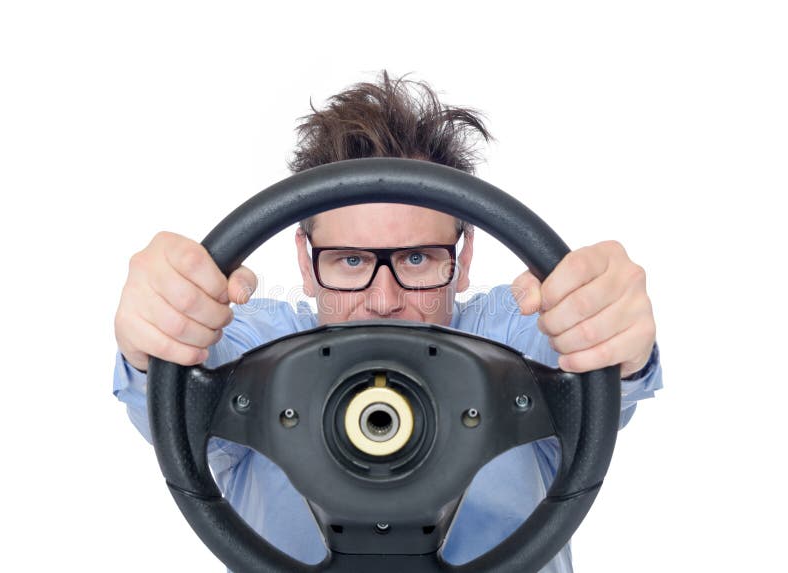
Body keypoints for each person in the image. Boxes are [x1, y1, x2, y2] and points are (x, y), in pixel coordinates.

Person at [113, 71, 662, 572]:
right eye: (350, 261)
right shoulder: (261, 353)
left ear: (463, 257)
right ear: (306, 261)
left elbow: (587, 360)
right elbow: (183, 376)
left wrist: (604, 323)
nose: (383, 299)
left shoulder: (514, 339)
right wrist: (162, 326)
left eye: (416, 259)